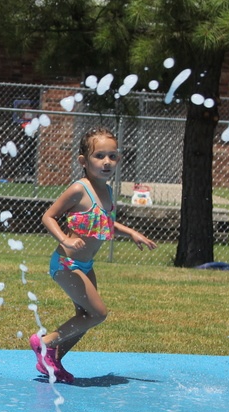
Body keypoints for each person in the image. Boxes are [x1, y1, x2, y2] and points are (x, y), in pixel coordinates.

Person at [31, 126, 157, 383]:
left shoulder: (107, 191)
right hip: (66, 264)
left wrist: (131, 232)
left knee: (85, 317)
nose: (107, 162)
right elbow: (48, 216)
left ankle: (52, 360)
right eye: (99, 156)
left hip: (86, 264)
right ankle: (44, 342)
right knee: (98, 313)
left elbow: (105, 222)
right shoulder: (80, 189)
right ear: (83, 161)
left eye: (112, 156)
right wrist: (65, 238)